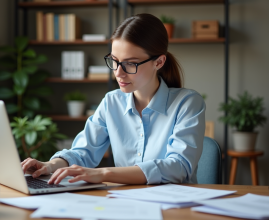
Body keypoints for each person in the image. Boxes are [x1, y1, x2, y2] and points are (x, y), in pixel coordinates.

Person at [21, 13, 205, 185]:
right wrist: (50, 165)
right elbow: (83, 151)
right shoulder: (112, 102)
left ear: (159, 62)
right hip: (125, 203)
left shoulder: (187, 103)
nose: (118, 73)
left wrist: (104, 174)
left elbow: (179, 166)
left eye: (130, 64)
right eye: (114, 61)